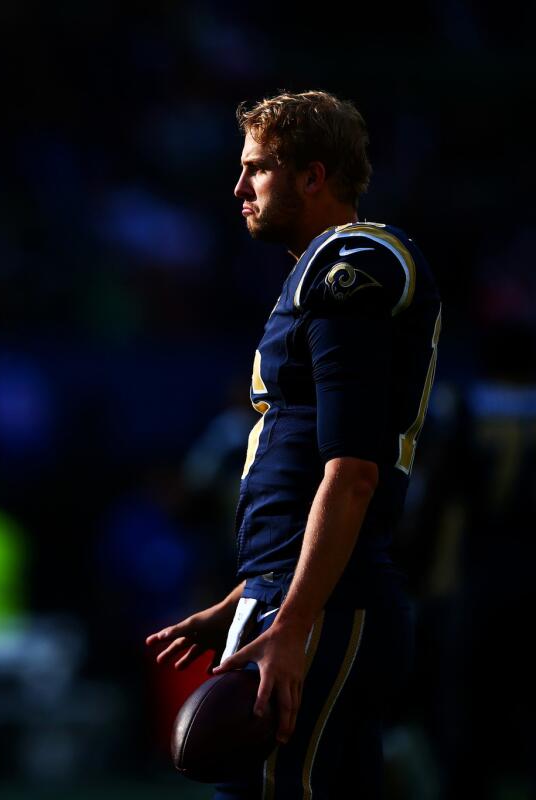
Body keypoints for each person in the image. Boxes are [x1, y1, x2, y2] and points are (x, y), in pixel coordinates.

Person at [146, 90, 441, 797]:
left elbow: (352, 470)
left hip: (322, 605)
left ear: (313, 176)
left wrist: (293, 618)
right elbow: (307, 466)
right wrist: (247, 594)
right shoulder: (322, 268)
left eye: (258, 169)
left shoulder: (352, 261)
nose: (239, 187)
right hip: (300, 593)